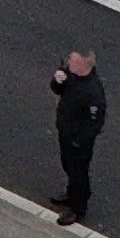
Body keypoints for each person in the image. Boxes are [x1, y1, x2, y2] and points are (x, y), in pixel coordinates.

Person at [49, 48, 104, 225]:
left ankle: (78, 208)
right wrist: (57, 82)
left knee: (78, 172)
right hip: (66, 131)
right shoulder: (71, 75)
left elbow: (95, 123)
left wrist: (79, 141)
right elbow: (57, 89)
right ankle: (71, 193)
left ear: (83, 65)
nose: (68, 62)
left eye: (72, 60)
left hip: (79, 141)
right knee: (67, 164)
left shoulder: (92, 92)